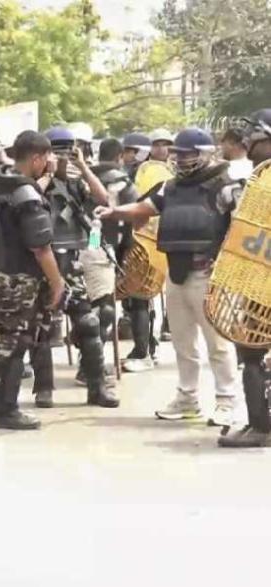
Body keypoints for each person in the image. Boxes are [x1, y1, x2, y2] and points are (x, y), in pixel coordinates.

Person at [96, 127, 240, 427]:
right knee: (183, 344)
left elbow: (240, 230)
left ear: (205, 153)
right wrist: (113, 213)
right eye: (178, 154)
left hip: (210, 274)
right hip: (177, 274)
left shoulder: (227, 185)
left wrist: (228, 268)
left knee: (219, 344)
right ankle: (187, 399)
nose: (182, 160)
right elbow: (144, 208)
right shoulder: (170, 187)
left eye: (188, 154)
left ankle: (227, 401)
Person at [30, 126, 118, 409]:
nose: (62, 157)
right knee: (41, 329)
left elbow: (104, 200)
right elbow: (28, 199)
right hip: (42, 263)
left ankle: (97, 388)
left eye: (68, 151)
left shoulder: (75, 183)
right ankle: (43, 389)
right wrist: (46, 174)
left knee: (90, 324)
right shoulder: (31, 182)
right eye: (57, 151)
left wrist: (82, 165)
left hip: (71, 264)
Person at [0, 130, 62, 429]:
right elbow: (40, 246)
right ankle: (7, 409)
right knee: (16, 344)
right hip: (22, 281)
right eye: (47, 157)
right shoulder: (26, 195)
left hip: (0, 276)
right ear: (37, 157)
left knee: (1, 341)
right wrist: (58, 282)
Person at [217, 108, 271, 447]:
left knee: (251, 350)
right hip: (254, 277)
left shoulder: (261, 182)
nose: (249, 142)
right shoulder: (250, 179)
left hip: (262, 278)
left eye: (256, 136)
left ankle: (261, 428)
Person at [79, 138, 138, 381]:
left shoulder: (78, 179)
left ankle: (86, 360)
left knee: (82, 306)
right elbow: (131, 218)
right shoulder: (123, 183)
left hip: (77, 247)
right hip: (105, 248)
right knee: (103, 307)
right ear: (119, 156)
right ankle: (90, 365)